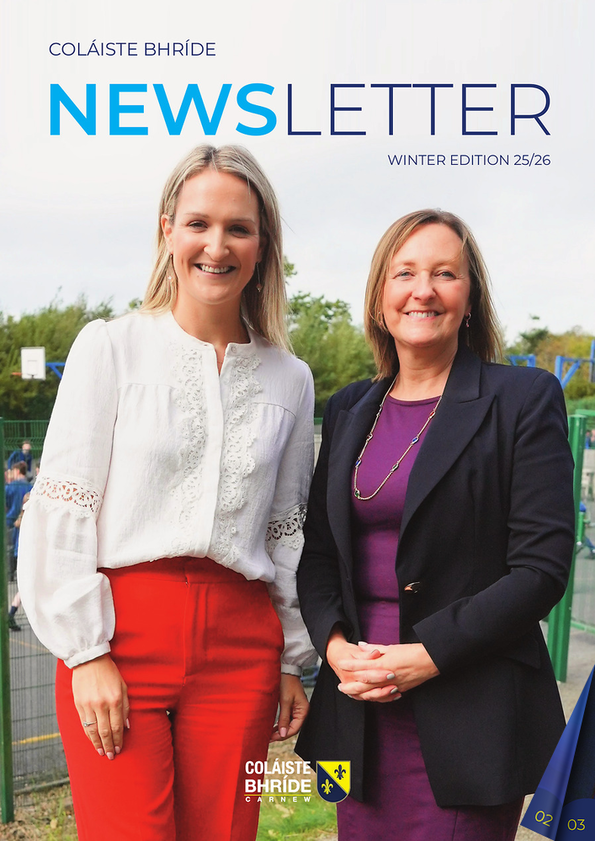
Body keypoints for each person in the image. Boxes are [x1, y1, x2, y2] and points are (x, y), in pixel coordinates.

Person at [18, 144, 317, 841]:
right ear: (167, 231)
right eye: (198, 223)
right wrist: (85, 652)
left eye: (239, 228)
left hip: (242, 646)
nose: (217, 245)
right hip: (120, 635)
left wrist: (288, 659)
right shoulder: (109, 347)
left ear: (263, 245)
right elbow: (65, 501)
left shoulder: (292, 378)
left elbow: (286, 528)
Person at [295, 210, 575, 840]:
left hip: (467, 710)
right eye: (405, 273)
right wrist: (336, 652)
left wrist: (427, 657)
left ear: (470, 299)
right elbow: (319, 555)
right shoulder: (348, 408)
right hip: (358, 705)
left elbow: (540, 569)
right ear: (380, 296)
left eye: (445, 273)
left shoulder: (523, 399)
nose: (423, 290)